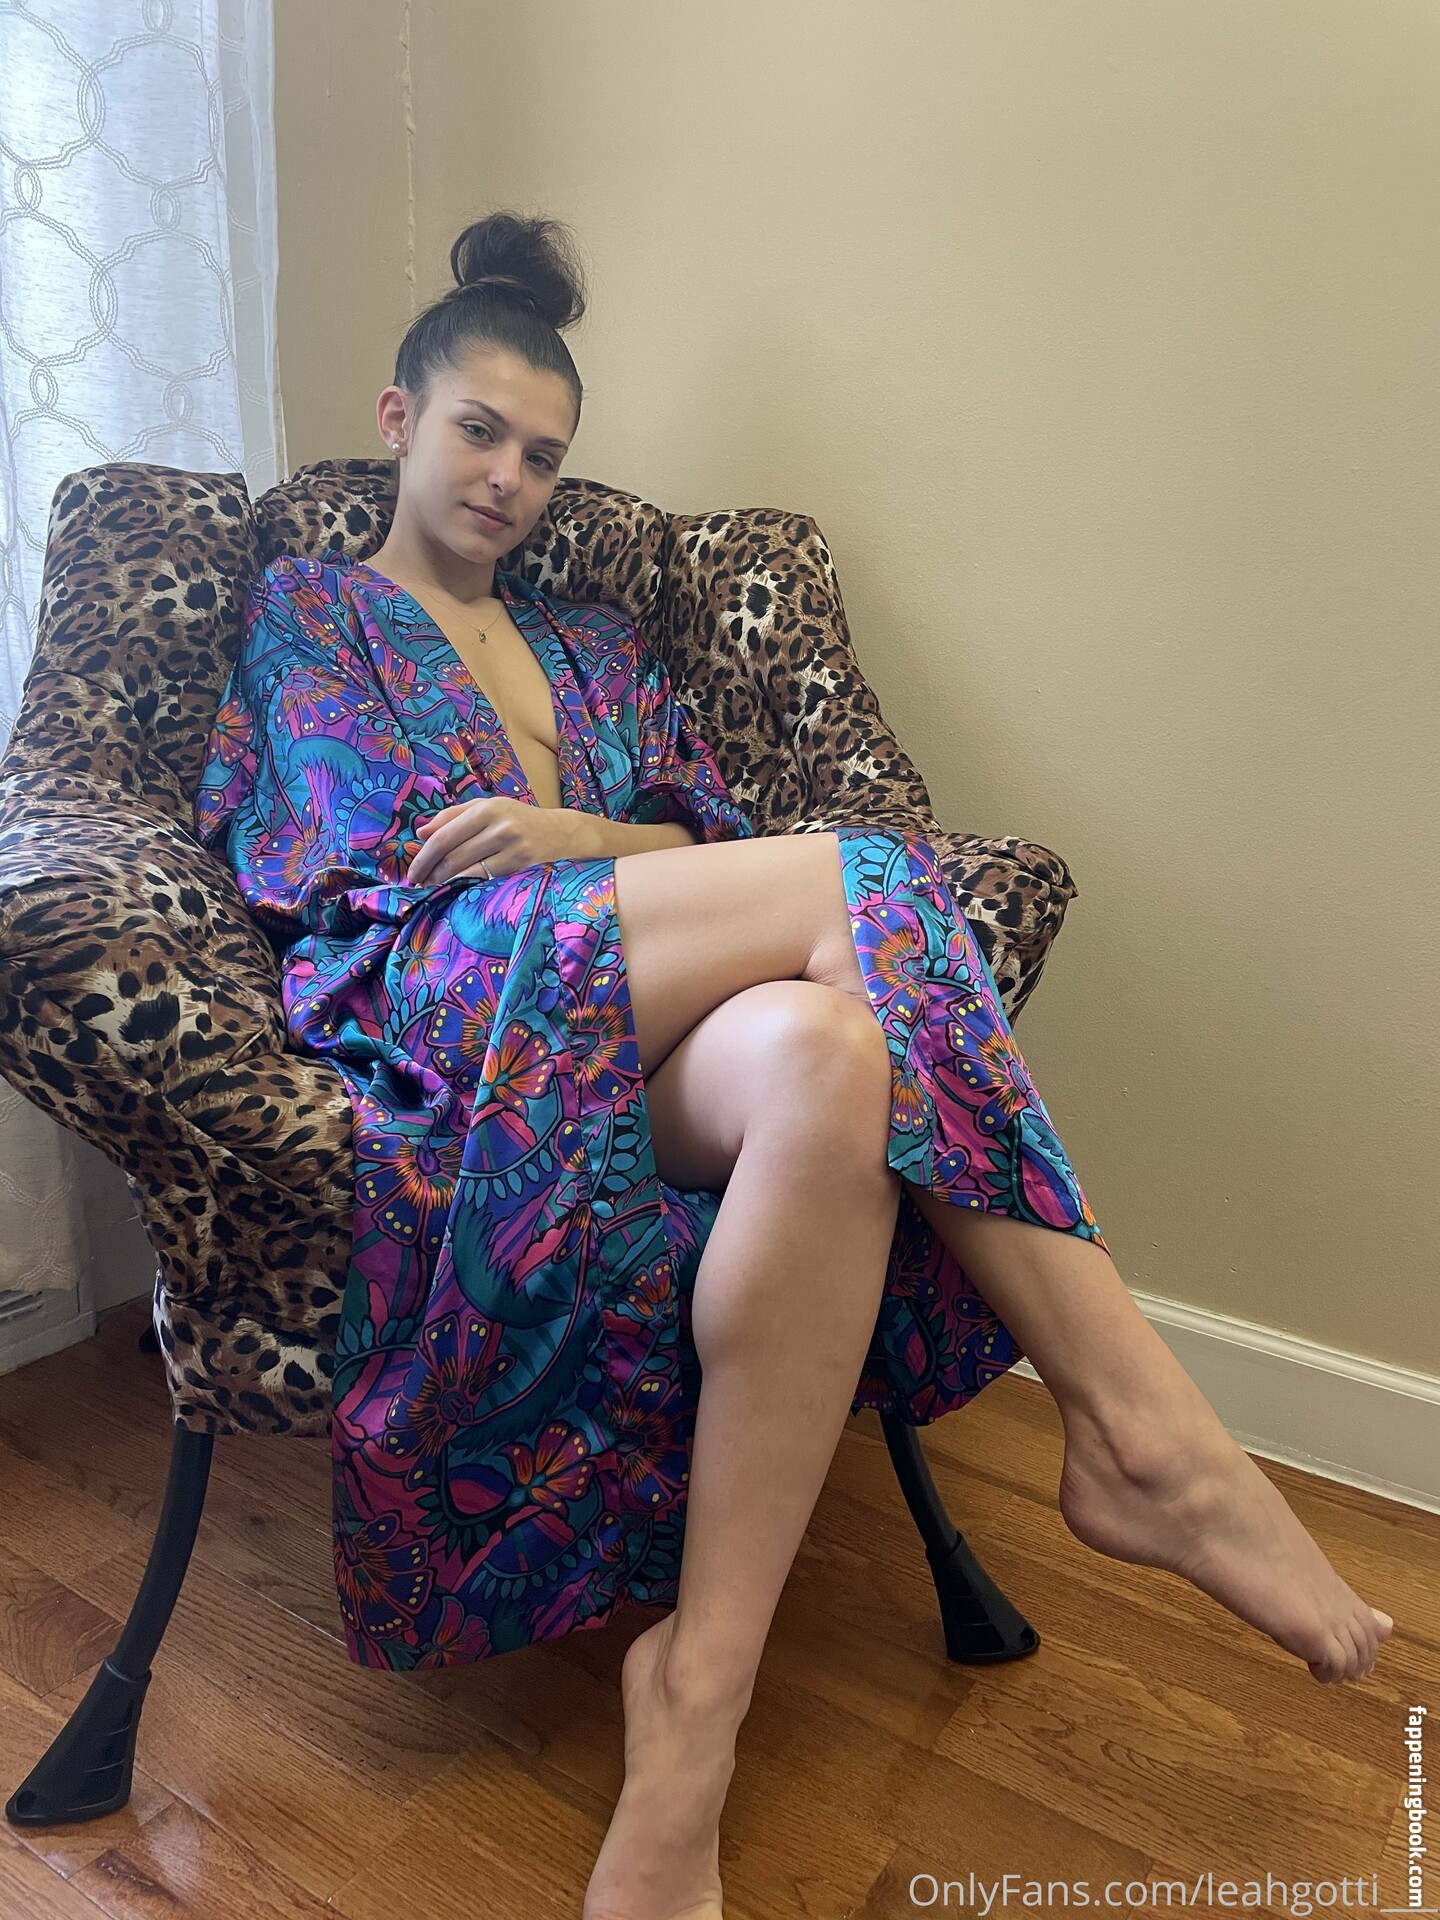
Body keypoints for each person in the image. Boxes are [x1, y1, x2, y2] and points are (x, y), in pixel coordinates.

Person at [194, 209, 1392, 1920]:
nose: (509, 478)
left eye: (543, 454)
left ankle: (696, 1703)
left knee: (835, 1051)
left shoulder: (597, 646)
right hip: (440, 996)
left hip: (626, 1014)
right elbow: (350, 857)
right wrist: (582, 865)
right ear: (399, 420)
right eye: (479, 432)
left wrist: (581, 832)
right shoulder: (311, 610)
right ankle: (1147, 1430)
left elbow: (706, 833)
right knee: (873, 882)